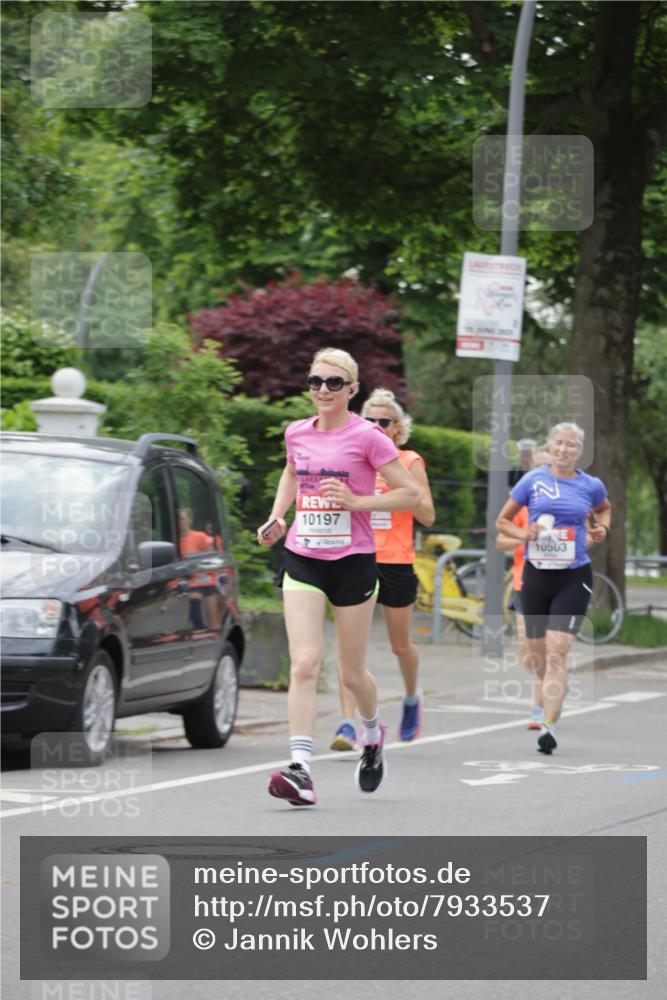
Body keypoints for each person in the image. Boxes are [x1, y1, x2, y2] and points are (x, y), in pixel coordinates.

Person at [257, 348, 420, 806]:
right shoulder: (296, 432)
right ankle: (300, 768)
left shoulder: (368, 436)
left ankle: (372, 734)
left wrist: (357, 502)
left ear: (352, 389)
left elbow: (409, 494)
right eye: (316, 381)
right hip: (303, 558)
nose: (323, 390)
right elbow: (292, 473)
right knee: (305, 663)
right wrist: (277, 516)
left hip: (353, 561)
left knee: (352, 675)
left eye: (333, 382)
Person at [495, 422, 611, 755]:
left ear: (579, 451)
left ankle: (548, 725)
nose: (564, 449)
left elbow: (604, 509)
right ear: (551, 445)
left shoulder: (590, 485)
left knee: (558, 652)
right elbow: (502, 522)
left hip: (573, 576)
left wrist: (602, 529)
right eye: (559, 443)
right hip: (536, 575)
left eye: (571, 445)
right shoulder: (533, 480)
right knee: (536, 656)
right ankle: (555, 685)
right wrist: (524, 534)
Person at [330, 388, 435, 750]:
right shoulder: (353, 457)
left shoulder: (408, 461)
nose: (376, 426)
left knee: (399, 645)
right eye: (369, 420)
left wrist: (394, 484)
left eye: (384, 422)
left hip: (396, 561)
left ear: (397, 429)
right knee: (349, 648)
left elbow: (428, 515)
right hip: (355, 557)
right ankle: (347, 724)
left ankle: (411, 697)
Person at [496, 443, 551, 730]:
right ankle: (549, 679)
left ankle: (539, 708)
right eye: (536, 467)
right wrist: (523, 536)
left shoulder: (567, 502)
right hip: (524, 581)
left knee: (549, 646)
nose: (541, 472)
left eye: (546, 466)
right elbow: (500, 541)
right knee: (528, 651)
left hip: (558, 581)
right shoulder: (521, 502)